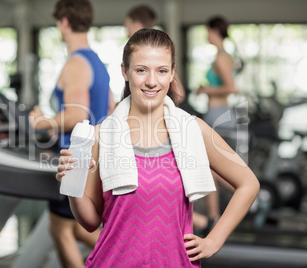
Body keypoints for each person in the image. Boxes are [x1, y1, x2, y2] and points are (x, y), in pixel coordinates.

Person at [56, 28, 259, 267]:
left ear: (172, 73)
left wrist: (214, 240)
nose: (152, 81)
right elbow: (90, 222)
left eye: (162, 71)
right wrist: (72, 186)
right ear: (125, 71)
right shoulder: (102, 136)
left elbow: (248, 183)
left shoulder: (194, 130)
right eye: (141, 70)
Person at [29, 0, 114, 267]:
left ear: (64, 22)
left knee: (60, 229)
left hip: (76, 156)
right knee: (77, 227)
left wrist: (41, 122)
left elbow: (78, 114)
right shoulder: (98, 63)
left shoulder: (75, 63)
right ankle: (126, 253)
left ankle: (125, 253)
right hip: (94, 156)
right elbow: (110, 110)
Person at [194, 15, 242, 234]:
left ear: (214, 31)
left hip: (219, 114)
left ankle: (249, 194)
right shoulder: (222, 56)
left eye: (208, 31)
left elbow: (231, 88)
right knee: (210, 168)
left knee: (215, 167)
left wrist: (206, 90)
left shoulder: (222, 57)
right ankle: (213, 218)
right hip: (215, 113)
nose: (206, 35)